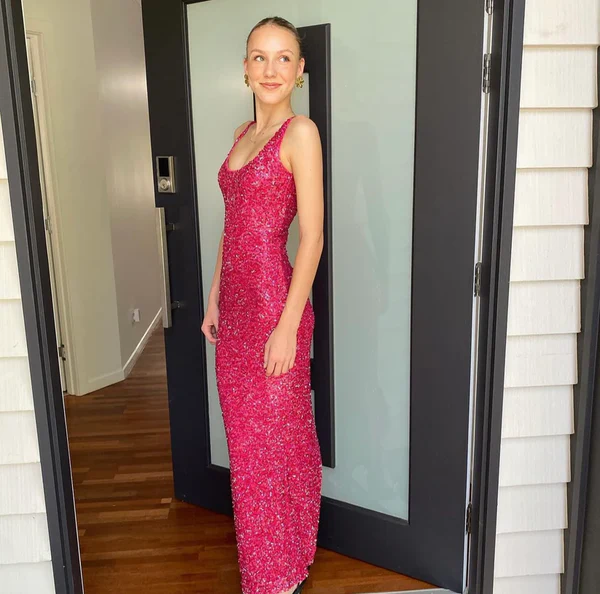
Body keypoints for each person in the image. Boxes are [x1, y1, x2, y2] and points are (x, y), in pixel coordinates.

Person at [201, 16, 324, 594]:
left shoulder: (302, 134)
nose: (270, 69)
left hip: (277, 307)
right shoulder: (239, 134)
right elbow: (232, 230)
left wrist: (288, 326)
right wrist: (213, 298)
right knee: (248, 449)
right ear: (245, 69)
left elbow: (312, 239)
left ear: (299, 71)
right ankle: (272, 563)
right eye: (259, 57)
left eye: (283, 57)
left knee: (277, 442)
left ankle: (278, 573)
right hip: (236, 311)